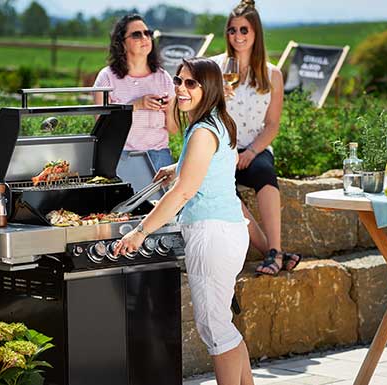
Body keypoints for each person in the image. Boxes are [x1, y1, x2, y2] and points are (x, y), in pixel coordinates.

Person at [114, 57, 254, 385]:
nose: (181, 89)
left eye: (191, 83)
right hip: (230, 230)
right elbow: (220, 161)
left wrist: (140, 231)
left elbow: (182, 193)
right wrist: (178, 166)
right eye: (178, 81)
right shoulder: (219, 120)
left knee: (215, 331)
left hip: (212, 236)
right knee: (223, 327)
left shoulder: (203, 129)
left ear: (210, 87)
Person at [212, 0, 301, 276]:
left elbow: (272, 124)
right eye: (232, 30)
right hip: (221, 148)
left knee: (264, 172)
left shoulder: (272, 74)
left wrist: (251, 152)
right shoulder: (216, 68)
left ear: (255, 34)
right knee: (224, 188)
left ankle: (275, 247)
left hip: (256, 146)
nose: (237, 36)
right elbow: (206, 115)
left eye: (244, 30)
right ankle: (273, 255)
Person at [93, 14, 177, 171]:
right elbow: (102, 129)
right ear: (122, 44)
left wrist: (168, 110)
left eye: (148, 33)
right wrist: (136, 104)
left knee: (161, 197)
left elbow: (173, 129)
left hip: (159, 157)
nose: (145, 38)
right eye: (137, 34)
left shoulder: (163, 77)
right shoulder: (107, 77)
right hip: (121, 156)